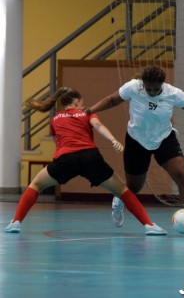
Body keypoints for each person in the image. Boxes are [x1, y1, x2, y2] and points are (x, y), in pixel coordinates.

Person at [5, 87, 167, 236]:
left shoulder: (55, 119)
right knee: (122, 190)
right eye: (81, 102)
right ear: (76, 101)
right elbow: (98, 125)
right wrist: (113, 140)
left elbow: (57, 140)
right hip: (90, 157)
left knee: (35, 185)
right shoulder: (87, 113)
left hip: (65, 159)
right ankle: (149, 225)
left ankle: (15, 222)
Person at [84, 65, 184, 237]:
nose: (152, 91)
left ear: (162, 85)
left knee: (182, 176)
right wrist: (91, 110)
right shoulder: (133, 87)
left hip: (164, 139)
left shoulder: (172, 93)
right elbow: (112, 100)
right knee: (134, 186)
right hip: (136, 141)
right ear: (143, 83)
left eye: (156, 89)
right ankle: (119, 201)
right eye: (148, 88)